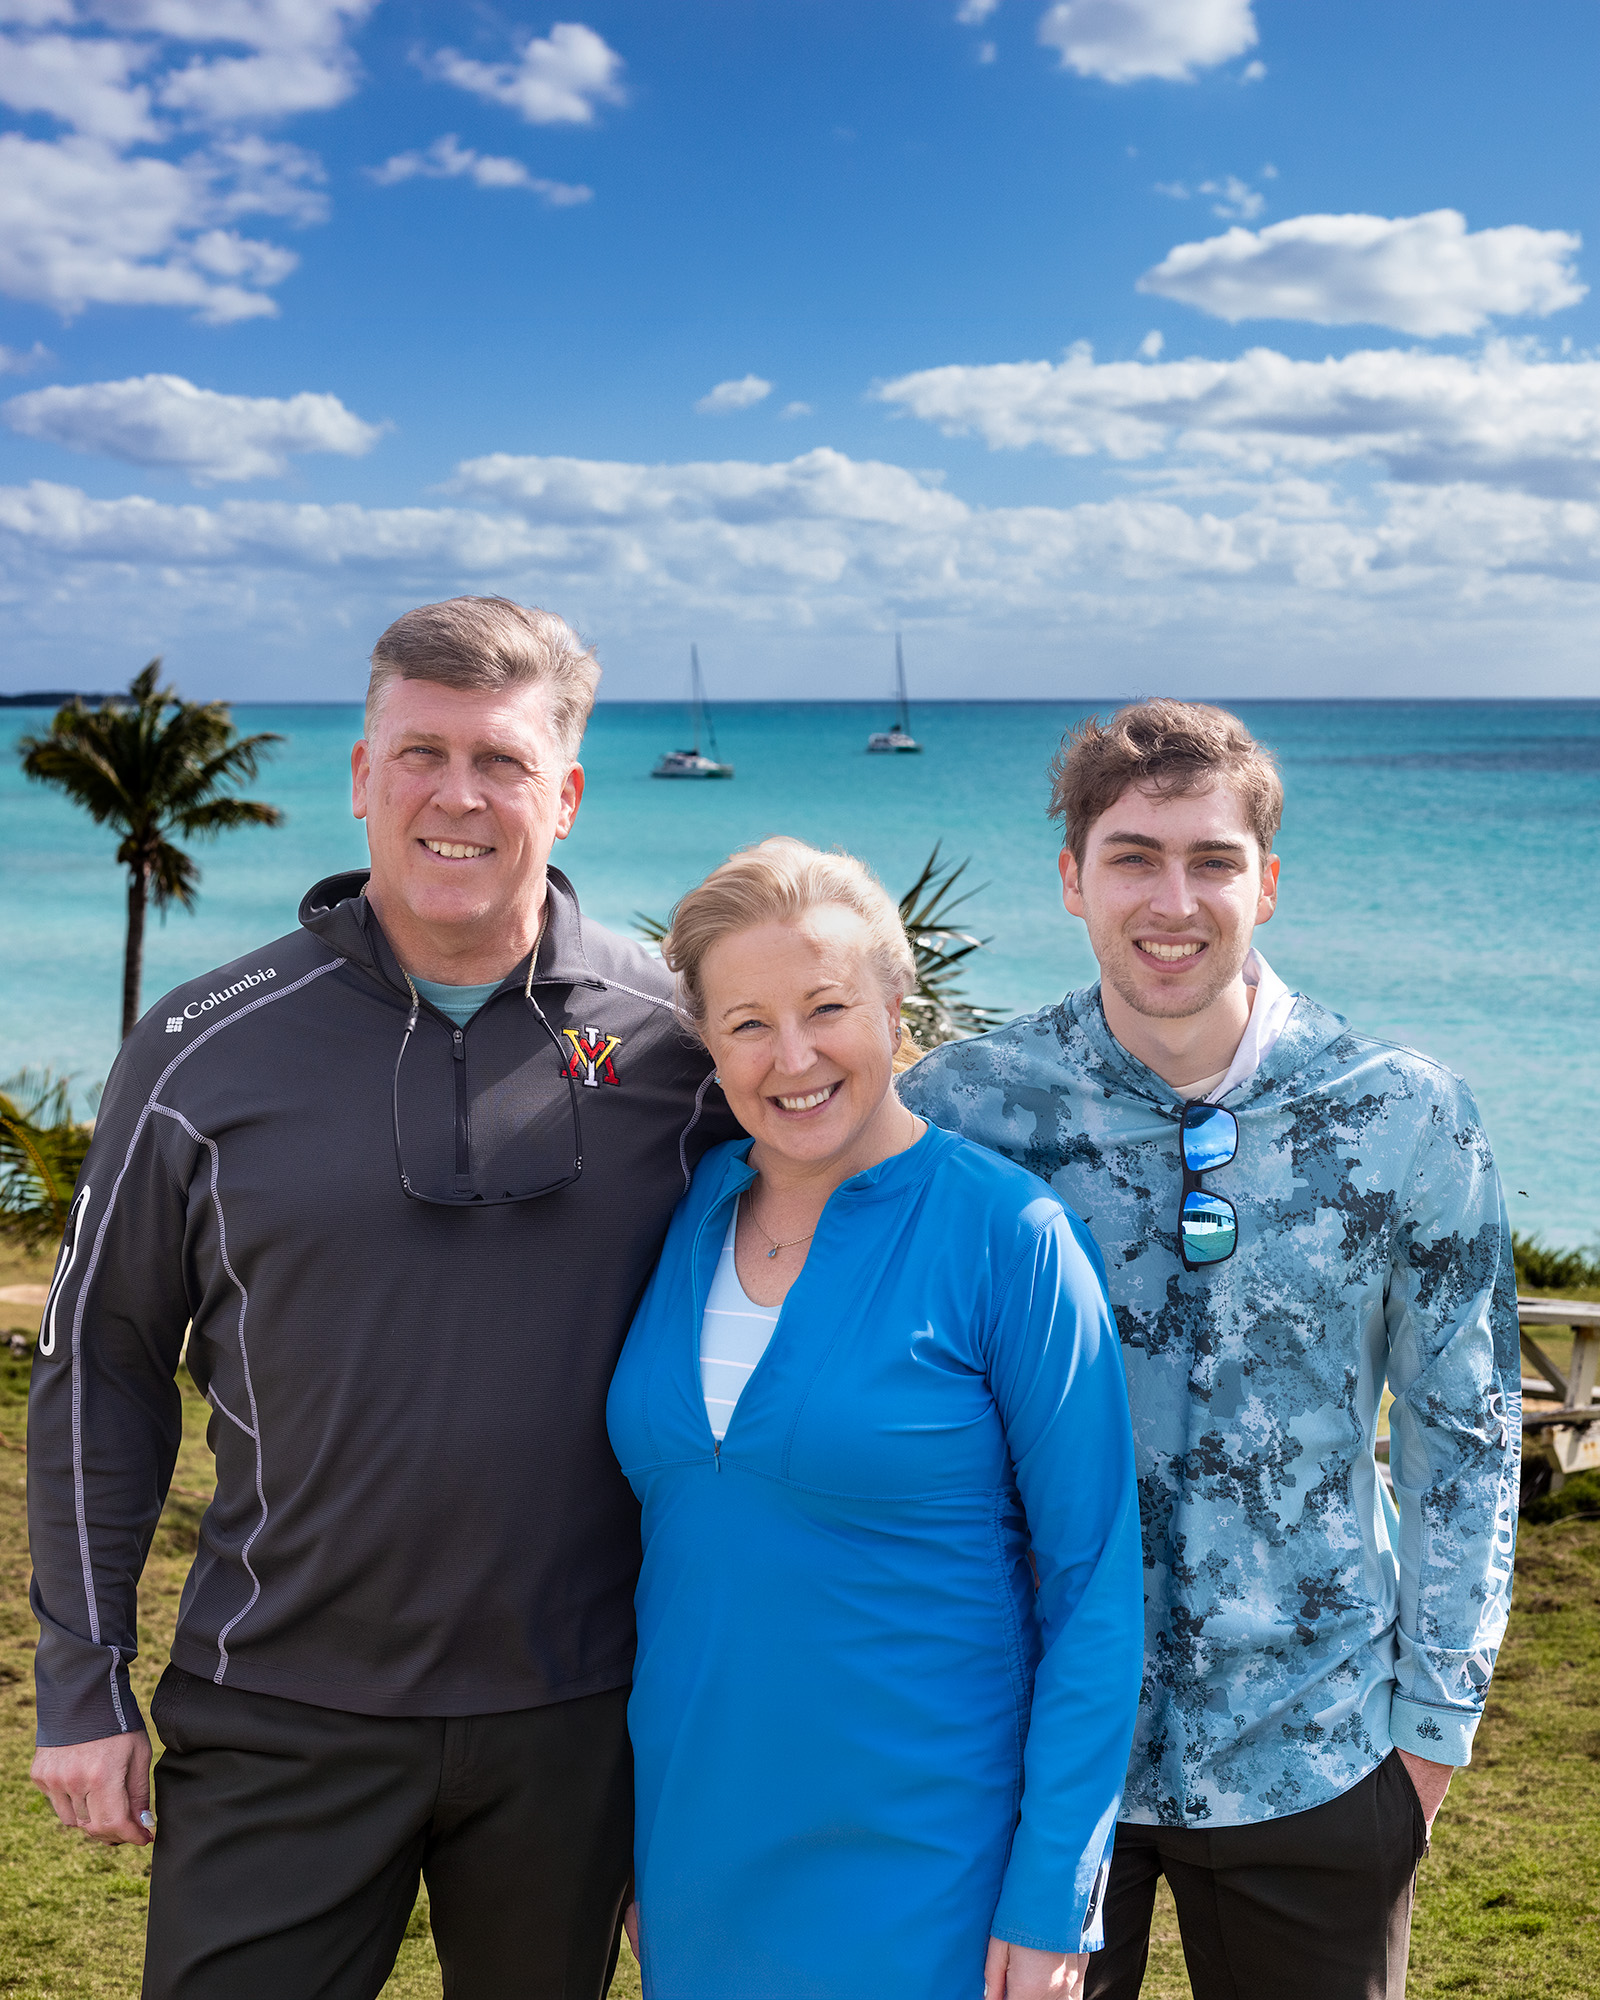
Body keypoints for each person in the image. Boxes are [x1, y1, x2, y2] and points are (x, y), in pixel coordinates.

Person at [27, 596, 739, 1999]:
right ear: (363, 777)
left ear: (566, 795)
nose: (456, 796)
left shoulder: (678, 1045)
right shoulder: (198, 1050)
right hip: (277, 1700)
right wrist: (81, 1680)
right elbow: (100, 1365)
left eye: (502, 761)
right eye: (421, 753)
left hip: (580, 1717)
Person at [898, 700, 1521, 2000]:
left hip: (1323, 1747)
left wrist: (1432, 1733)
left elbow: (1466, 1435)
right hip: (1027, 1764)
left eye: (1212, 860)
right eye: (1132, 856)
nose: (1172, 901)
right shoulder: (961, 1110)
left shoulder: (1405, 1114)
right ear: (1072, 878)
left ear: (1267, 882)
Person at [605, 836, 1145, 2000]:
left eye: (827, 1007)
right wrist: (633, 1852)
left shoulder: (1011, 1237)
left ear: (896, 1007)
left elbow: (1094, 1588)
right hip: (697, 1853)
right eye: (748, 1022)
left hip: (933, 1865)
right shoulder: (684, 1214)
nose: (792, 1056)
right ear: (707, 1042)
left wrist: (1053, 1889)